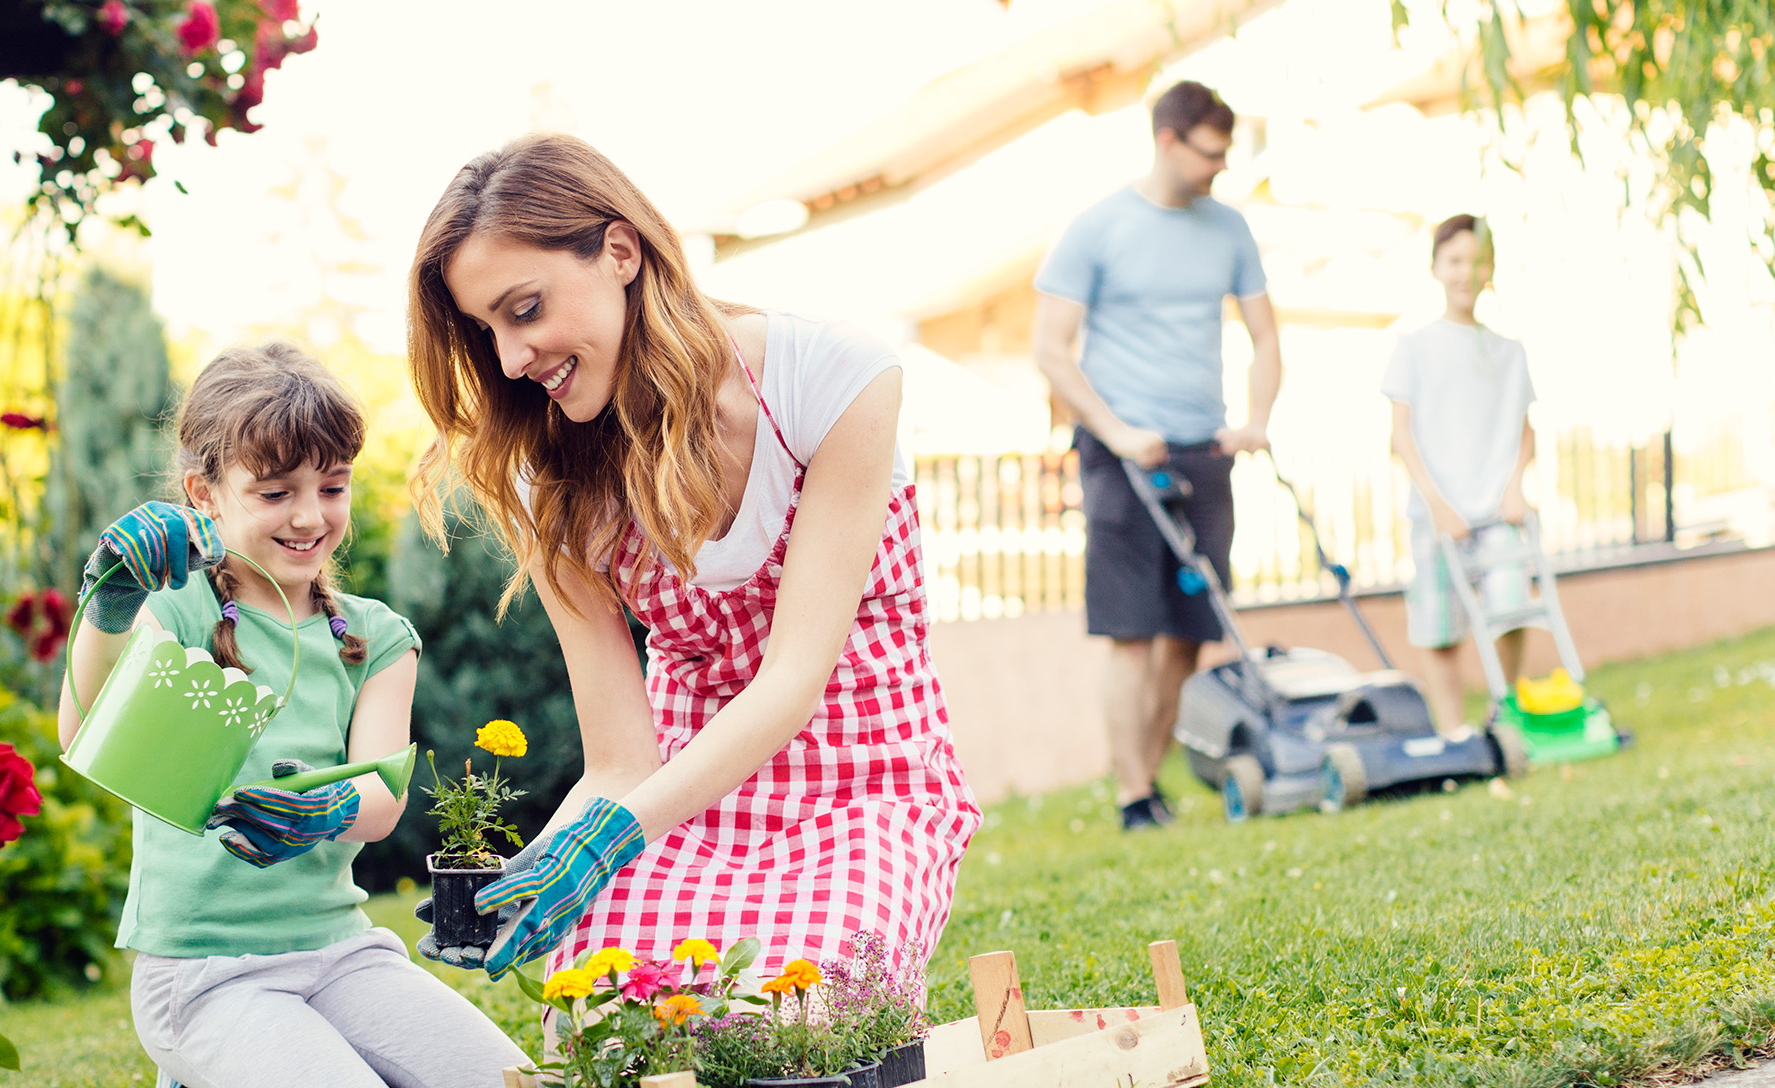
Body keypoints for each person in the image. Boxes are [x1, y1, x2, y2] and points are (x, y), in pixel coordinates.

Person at [404, 134, 979, 987]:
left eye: (523, 311)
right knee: (609, 1019)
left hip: (866, 792)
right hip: (682, 801)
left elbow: (791, 681)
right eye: (487, 331)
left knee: (788, 1012)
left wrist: (613, 839)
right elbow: (620, 760)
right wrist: (529, 878)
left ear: (620, 251)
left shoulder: (833, 380)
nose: (511, 361)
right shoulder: (548, 473)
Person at [61, 341, 527, 1088]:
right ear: (205, 494)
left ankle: (281, 1073)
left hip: (339, 952)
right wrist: (111, 600)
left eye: (332, 486)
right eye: (275, 493)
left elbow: (381, 799)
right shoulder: (172, 605)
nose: (310, 516)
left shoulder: (377, 637)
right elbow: (85, 730)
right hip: (205, 972)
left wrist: (332, 812)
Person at [1031, 79, 1281, 832]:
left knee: (1191, 632)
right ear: (1168, 141)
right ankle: (1133, 794)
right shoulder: (1097, 228)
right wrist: (1113, 431)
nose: (1218, 168)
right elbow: (1049, 350)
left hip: (1203, 451)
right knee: (1132, 633)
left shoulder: (1229, 229)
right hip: (1121, 456)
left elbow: (1266, 338)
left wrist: (1256, 420)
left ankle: (1150, 777)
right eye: (1208, 153)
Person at [1384, 214, 1538, 733]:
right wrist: (1437, 504)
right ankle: (1453, 732)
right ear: (1435, 268)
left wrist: (1516, 487)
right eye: (1454, 261)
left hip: (1498, 510)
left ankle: (1506, 711)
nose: (1465, 273)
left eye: (1476, 262)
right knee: (1440, 629)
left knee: (1512, 609)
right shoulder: (1414, 347)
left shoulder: (1508, 351)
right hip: (1438, 512)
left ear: (1489, 269)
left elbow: (1524, 430)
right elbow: (1401, 435)